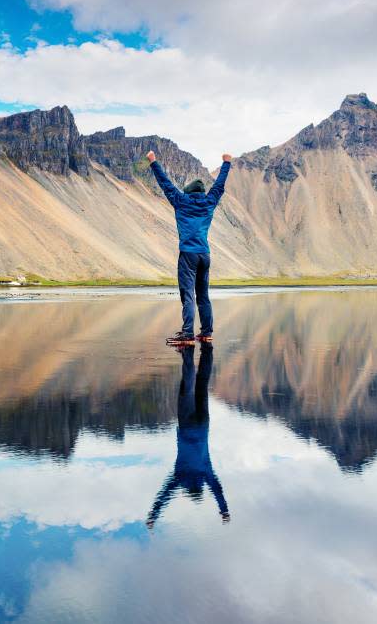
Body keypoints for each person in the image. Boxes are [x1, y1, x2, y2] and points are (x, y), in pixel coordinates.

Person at [146, 149, 232, 344]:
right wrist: (226, 163)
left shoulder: (181, 201)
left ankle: (187, 334)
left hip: (188, 255)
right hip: (204, 254)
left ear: (188, 191)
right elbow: (219, 186)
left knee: (188, 295)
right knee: (203, 296)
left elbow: (165, 184)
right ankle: (206, 332)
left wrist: (153, 162)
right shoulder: (209, 201)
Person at [146, 343, 229, 529]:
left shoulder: (205, 474)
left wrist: (224, 510)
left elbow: (217, 490)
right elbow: (165, 494)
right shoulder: (180, 477)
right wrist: (153, 514)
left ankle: (207, 347)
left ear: (200, 488)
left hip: (203, 424)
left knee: (202, 383)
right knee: (188, 385)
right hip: (186, 425)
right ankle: (187, 351)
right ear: (188, 490)